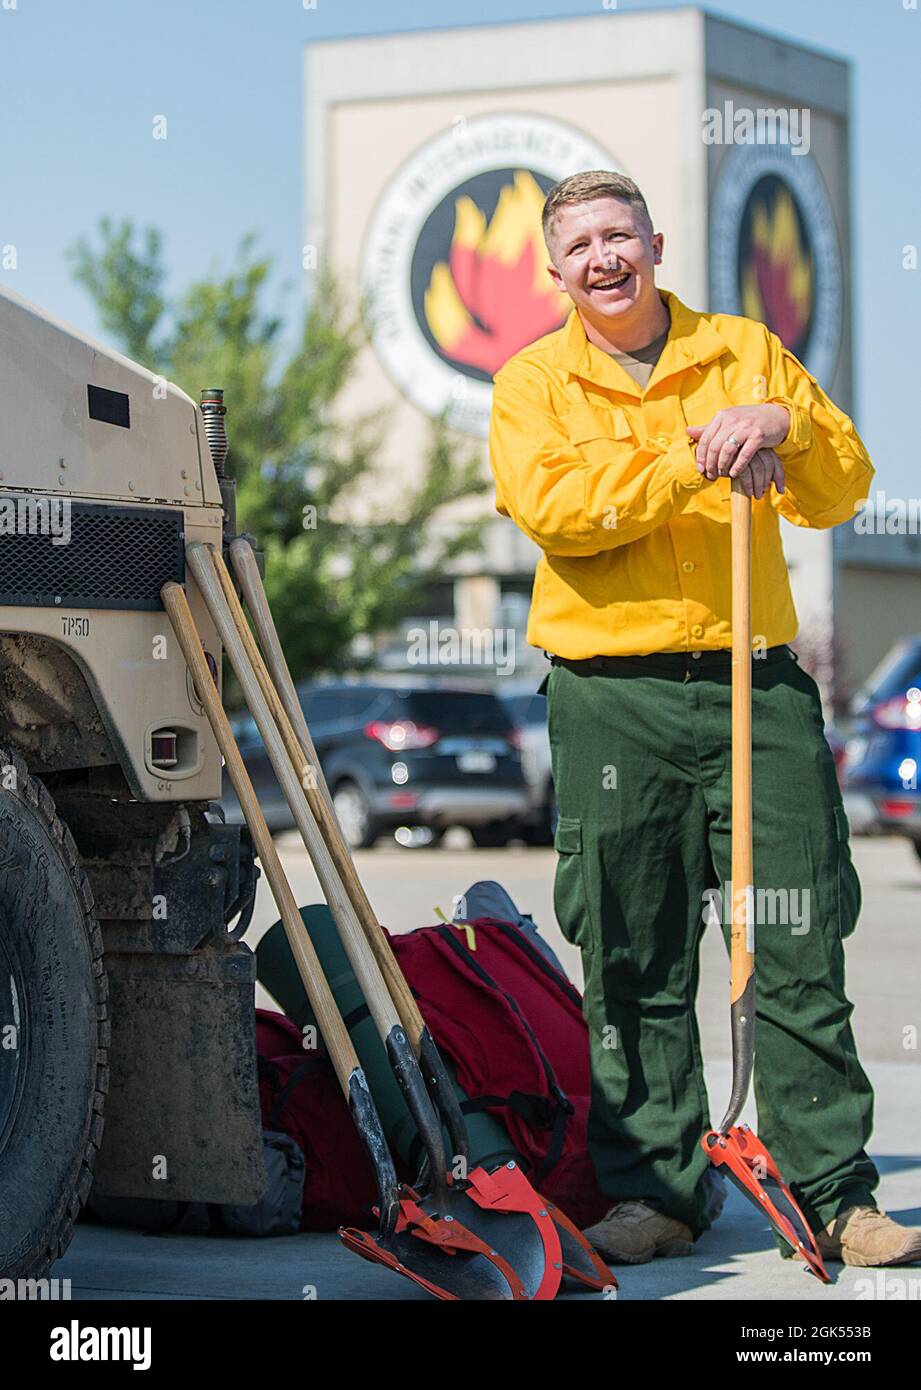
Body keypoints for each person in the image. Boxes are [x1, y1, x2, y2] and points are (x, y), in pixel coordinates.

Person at [488, 168, 921, 1268]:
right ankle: (656, 1192)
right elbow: (557, 507)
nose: (602, 258)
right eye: (579, 244)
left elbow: (839, 484)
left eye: (619, 236)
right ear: (556, 270)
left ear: (657, 242)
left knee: (795, 932)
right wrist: (694, 455)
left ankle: (833, 1191)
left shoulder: (743, 352)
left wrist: (780, 418)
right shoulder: (532, 383)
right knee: (631, 949)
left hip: (754, 685)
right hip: (610, 695)